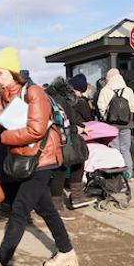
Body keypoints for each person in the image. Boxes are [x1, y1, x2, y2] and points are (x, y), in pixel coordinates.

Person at [0, 47, 77, 266]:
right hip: (26, 157)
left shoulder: (34, 93)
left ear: (12, 71)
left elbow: (36, 130)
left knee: (19, 210)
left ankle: (0, 263)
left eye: (0, 73)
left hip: (42, 158)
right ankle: (67, 251)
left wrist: (4, 138)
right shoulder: (5, 95)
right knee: (47, 210)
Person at [45, 76, 94, 218]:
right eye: (79, 92)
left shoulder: (51, 97)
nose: (80, 95)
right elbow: (66, 122)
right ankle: (60, 204)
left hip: (57, 138)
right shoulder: (62, 100)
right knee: (62, 169)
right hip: (60, 139)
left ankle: (72, 198)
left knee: (69, 164)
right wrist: (76, 129)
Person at [96, 68, 134, 179]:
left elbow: (101, 107)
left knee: (115, 148)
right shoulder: (128, 90)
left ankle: (117, 172)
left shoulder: (105, 90)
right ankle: (128, 172)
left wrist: (106, 116)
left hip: (111, 125)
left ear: (109, 78)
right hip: (126, 124)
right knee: (125, 148)